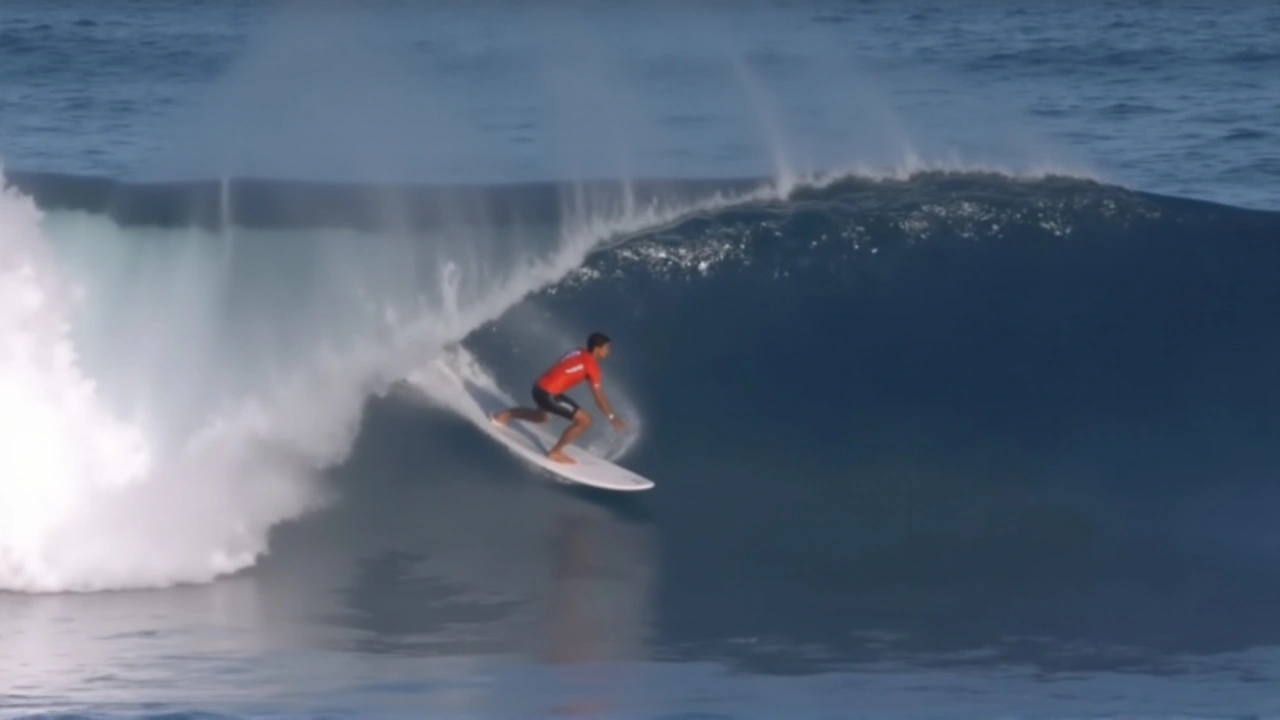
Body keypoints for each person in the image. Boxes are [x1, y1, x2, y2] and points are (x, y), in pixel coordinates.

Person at [492, 332, 626, 464]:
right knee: (585, 421)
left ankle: (503, 416)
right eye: (607, 348)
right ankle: (555, 452)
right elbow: (599, 396)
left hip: (538, 387)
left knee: (541, 417)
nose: (609, 351)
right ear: (597, 349)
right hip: (549, 394)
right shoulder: (592, 367)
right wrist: (612, 417)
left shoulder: (578, 351)